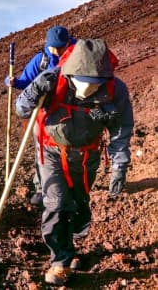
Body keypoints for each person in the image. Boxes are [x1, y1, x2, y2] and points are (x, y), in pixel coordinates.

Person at [15, 39, 133, 285]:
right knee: (56, 203)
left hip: (87, 156)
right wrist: (34, 91)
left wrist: (119, 165)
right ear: (71, 73)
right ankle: (60, 261)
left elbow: (121, 129)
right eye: (83, 83)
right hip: (51, 152)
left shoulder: (115, 89)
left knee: (79, 206)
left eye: (95, 85)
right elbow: (22, 109)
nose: (88, 89)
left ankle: (70, 244)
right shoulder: (52, 79)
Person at [5, 25, 74, 206]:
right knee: (42, 152)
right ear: (47, 45)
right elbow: (25, 82)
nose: (57, 51)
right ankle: (41, 188)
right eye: (54, 47)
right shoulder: (41, 60)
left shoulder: (77, 56)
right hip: (44, 115)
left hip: (70, 113)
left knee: (70, 150)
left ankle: (70, 185)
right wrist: (13, 81)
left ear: (68, 42)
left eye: (61, 47)